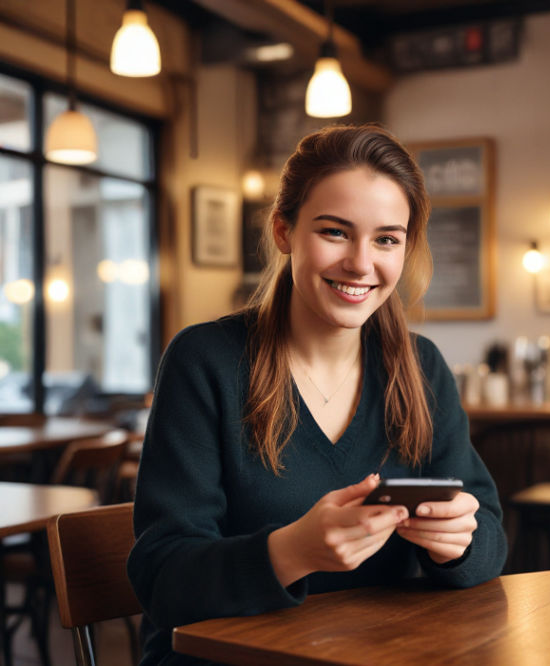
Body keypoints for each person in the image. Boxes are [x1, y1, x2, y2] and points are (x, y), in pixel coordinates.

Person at [128, 124, 507, 665]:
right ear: (284, 231)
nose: (360, 262)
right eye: (334, 232)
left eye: (386, 239)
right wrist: (290, 553)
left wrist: (460, 543)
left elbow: (489, 536)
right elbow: (161, 579)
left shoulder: (421, 368)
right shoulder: (204, 360)